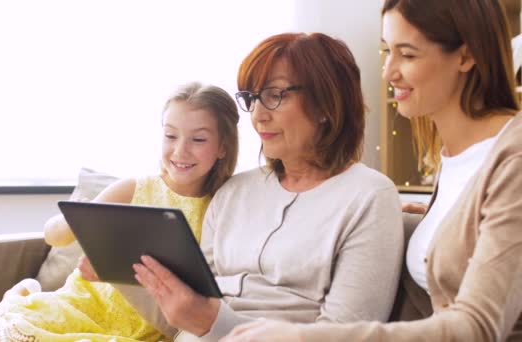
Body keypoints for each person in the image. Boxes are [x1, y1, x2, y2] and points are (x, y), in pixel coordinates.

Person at [220, 0, 522, 341]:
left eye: (407, 54)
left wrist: (300, 337)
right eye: (387, 51)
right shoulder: (455, 157)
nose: (388, 71)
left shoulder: (514, 157)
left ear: (466, 57)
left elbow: (479, 327)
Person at [79, 32, 405, 341]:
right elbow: (181, 319)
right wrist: (124, 275)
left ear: (326, 104)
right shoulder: (233, 192)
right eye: (252, 98)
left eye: (275, 96)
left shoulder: (369, 197)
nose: (258, 115)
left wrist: (212, 321)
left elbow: (345, 334)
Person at [0, 81, 240, 342]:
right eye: (170, 136)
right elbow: (53, 234)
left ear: (223, 147)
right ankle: (9, 301)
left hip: (148, 323)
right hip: (87, 302)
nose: (180, 151)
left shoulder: (225, 206)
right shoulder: (133, 189)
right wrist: (81, 222)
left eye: (198, 139)